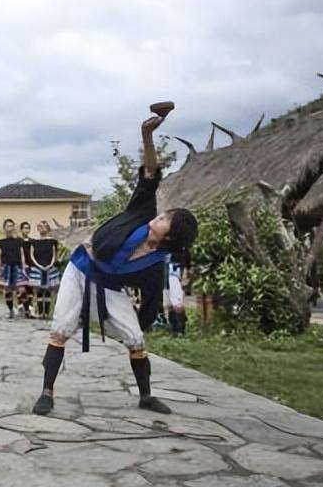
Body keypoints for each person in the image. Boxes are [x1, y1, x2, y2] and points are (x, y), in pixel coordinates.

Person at [31, 109, 199, 417]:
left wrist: (142, 319)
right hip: (80, 271)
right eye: (161, 215)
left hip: (107, 287)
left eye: (165, 221)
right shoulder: (141, 213)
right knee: (61, 329)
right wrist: (148, 136)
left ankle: (146, 395)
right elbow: (150, 173)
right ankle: (46, 392)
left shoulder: (155, 264)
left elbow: (149, 303)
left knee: (135, 337)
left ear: (171, 237)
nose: (158, 218)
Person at [27, 221, 62, 320]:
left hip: (49, 267)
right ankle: (40, 312)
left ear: (48, 229)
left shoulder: (52, 241)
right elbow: (32, 255)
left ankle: (46, 313)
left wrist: (50, 265)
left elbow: (54, 254)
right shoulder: (34, 242)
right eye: (40, 227)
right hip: (37, 267)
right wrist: (38, 265)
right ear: (38, 228)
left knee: (47, 291)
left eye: (44, 227)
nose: (42, 228)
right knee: (39, 290)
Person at [0, 219, 26, 318]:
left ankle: (22, 306)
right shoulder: (0, 242)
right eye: (8, 226)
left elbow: (22, 254)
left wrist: (24, 267)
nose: (10, 228)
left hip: (17, 265)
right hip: (6, 266)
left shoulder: (19, 241)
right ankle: (11, 310)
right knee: (7, 290)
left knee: (21, 289)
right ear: (4, 228)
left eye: (12, 226)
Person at [18, 221, 36, 317]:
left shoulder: (32, 241)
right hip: (21, 266)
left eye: (28, 228)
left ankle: (29, 307)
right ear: (21, 230)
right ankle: (22, 305)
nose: (26, 230)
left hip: (31, 266)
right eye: (25, 228)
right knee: (22, 288)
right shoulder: (18, 241)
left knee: (30, 287)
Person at [166, 261, 188, 336]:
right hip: (171, 271)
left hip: (172, 272)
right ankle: (177, 329)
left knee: (176, 304)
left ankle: (178, 330)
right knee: (174, 304)